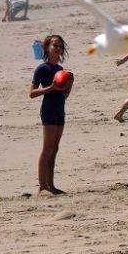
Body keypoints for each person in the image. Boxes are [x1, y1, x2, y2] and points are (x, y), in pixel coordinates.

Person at [30, 34, 73, 195]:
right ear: (47, 47)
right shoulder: (42, 68)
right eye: (54, 45)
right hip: (48, 109)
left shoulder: (60, 70)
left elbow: (62, 96)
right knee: (46, 148)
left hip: (59, 109)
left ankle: (51, 185)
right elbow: (32, 93)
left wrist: (69, 85)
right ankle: (42, 187)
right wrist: (51, 88)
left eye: (60, 46)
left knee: (54, 148)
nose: (57, 48)